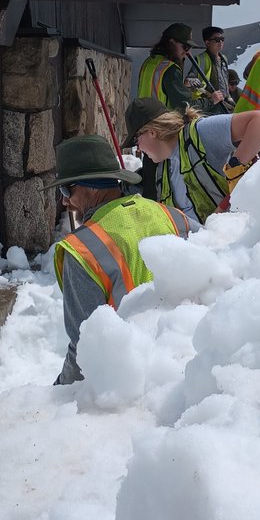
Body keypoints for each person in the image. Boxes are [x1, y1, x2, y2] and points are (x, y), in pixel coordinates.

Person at [46, 135, 191, 384]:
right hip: (184, 367)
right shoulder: (173, 216)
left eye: (66, 189)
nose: (64, 201)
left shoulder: (83, 249)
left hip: (127, 383)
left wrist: (57, 392)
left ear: (91, 186)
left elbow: (86, 348)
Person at [123, 96, 260, 228]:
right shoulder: (162, 168)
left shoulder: (199, 134)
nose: (138, 148)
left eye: (137, 139)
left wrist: (235, 166)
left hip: (235, 241)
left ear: (152, 132)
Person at [194, 25, 234, 114]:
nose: (220, 42)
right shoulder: (201, 59)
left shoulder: (224, 59)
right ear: (207, 43)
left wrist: (229, 98)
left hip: (224, 105)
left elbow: (225, 81)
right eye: (217, 40)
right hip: (210, 107)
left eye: (222, 39)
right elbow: (191, 79)